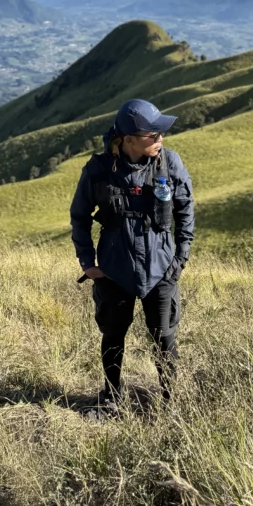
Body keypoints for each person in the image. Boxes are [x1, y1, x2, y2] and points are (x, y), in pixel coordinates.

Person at [70, 98, 195, 415]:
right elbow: (79, 216)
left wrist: (179, 260)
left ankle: (169, 402)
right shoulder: (98, 170)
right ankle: (111, 396)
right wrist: (88, 263)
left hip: (162, 268)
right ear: (128, 139)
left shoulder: (170, 163)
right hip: (114, 269)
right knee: (113, 335)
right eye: (152, 135)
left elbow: (185, 212)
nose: (159, 139)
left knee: (164, 338)